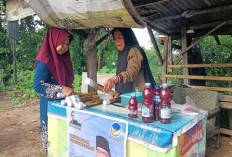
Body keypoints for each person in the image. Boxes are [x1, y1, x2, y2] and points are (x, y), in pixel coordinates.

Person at [33, 27, 75, 149]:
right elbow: (38, 85)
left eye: (67, 44)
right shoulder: (45, 60)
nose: (65, 47)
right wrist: (61, 89)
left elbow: (65, 81)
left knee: (62, 141)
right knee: (53, 143)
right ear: (53, 40)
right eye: (62, 43)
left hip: (62, 105)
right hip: (50, 107)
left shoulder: (62, 59)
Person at [103, 28, 155, 98]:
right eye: (115, 38)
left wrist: (114, 79)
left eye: (120, 38)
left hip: (142, 97)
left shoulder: (135, 50)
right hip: (131, 98)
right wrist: (119, 93)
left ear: (127, 37)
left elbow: (131, 73)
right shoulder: (122, 53)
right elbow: (122, 76)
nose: (117, 41)